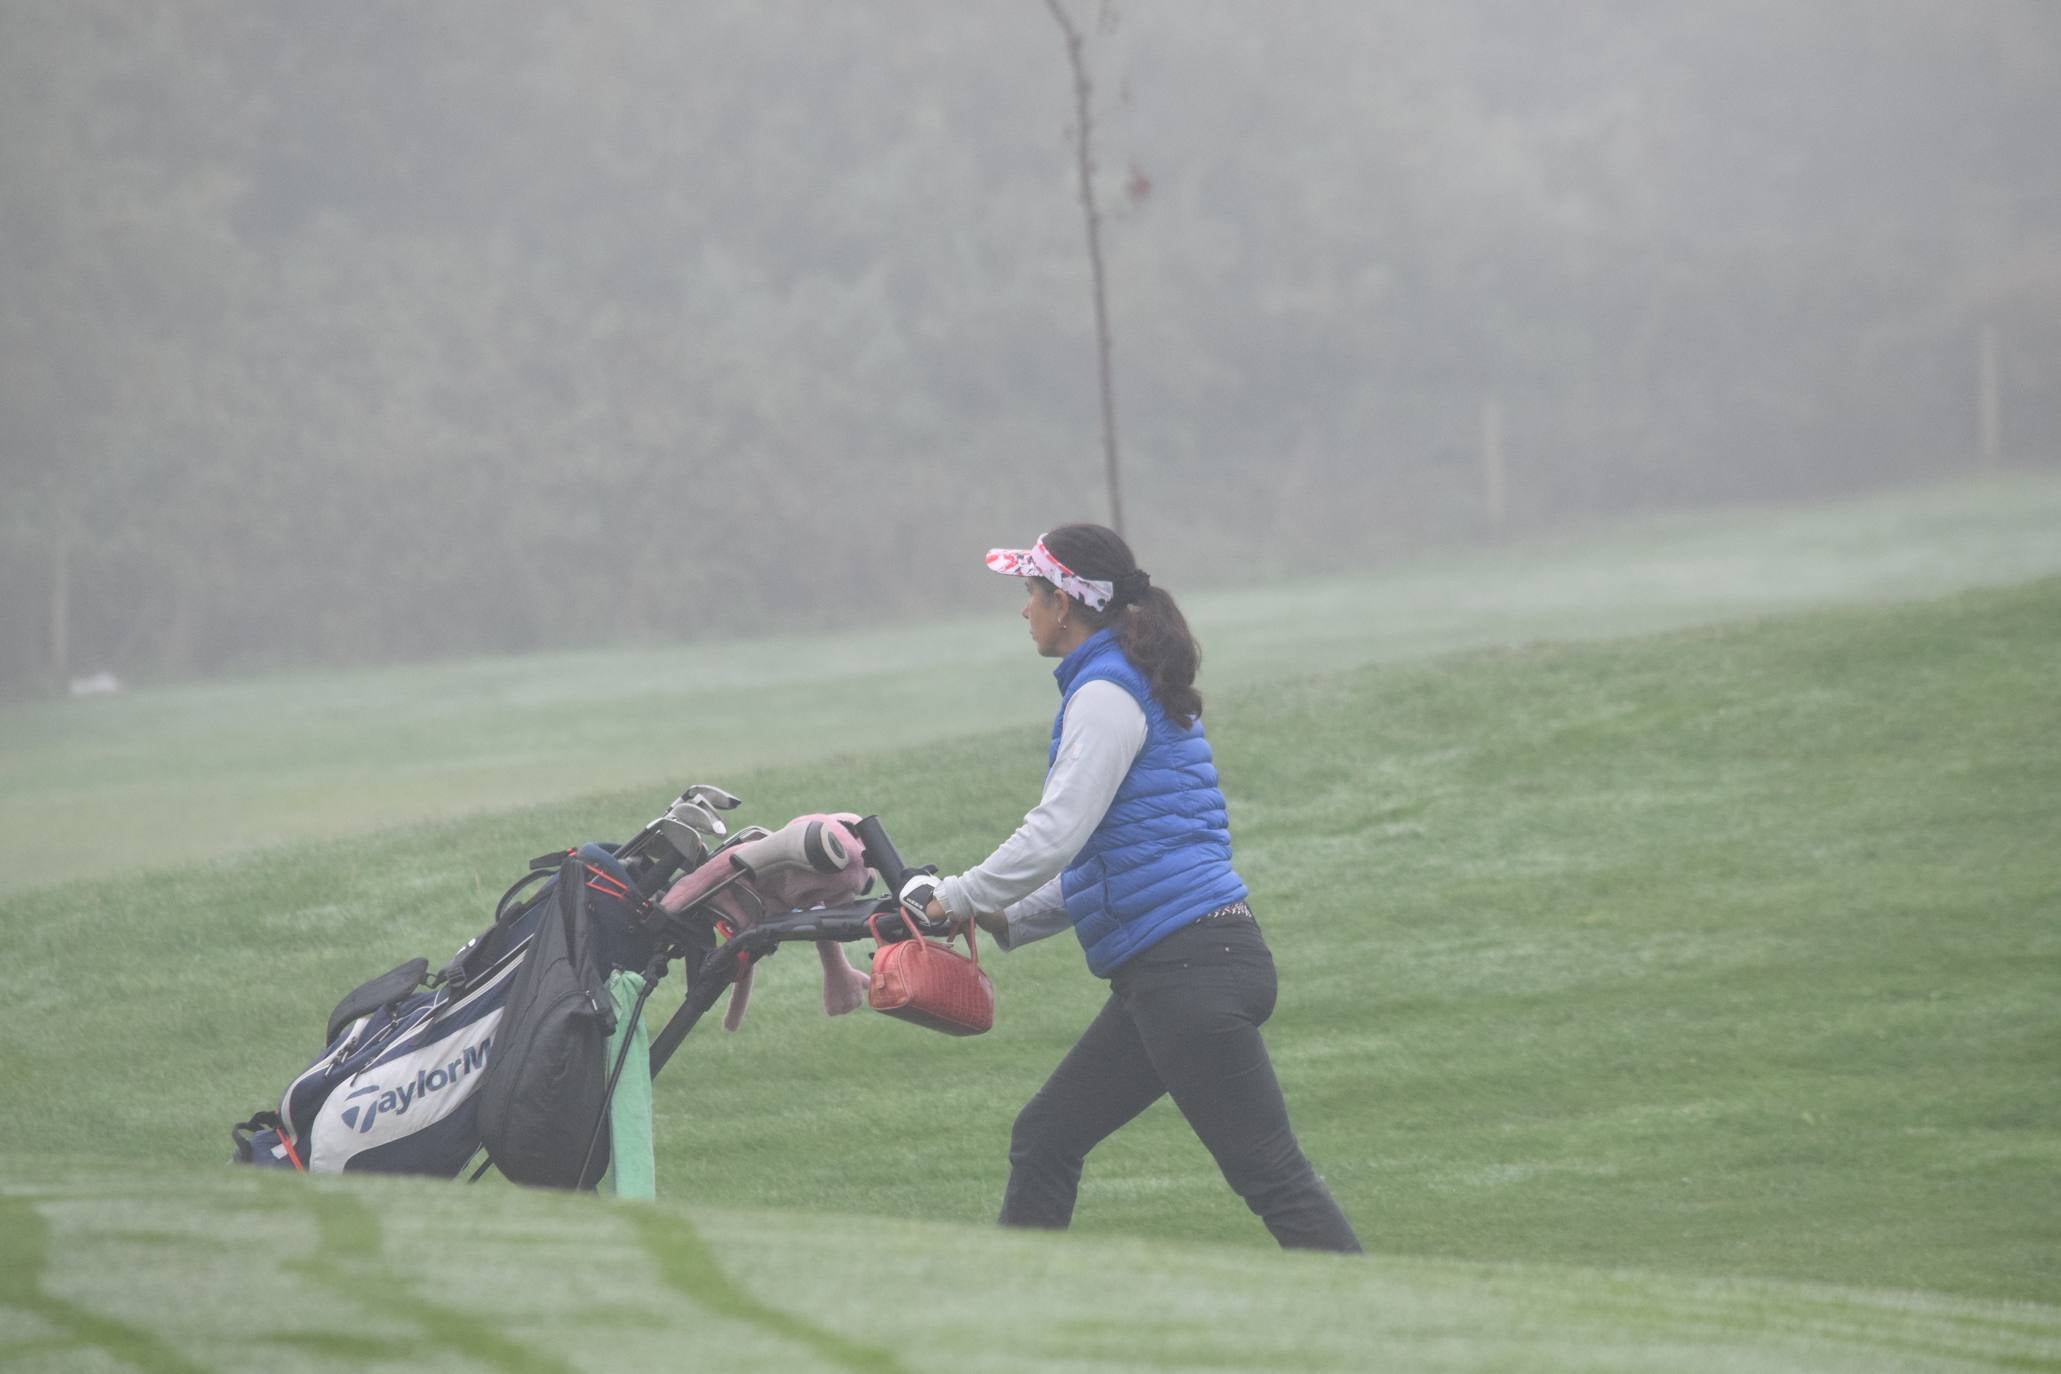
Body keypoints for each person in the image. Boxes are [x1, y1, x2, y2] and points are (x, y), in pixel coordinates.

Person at [922, 523, 1362, 1253]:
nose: (1022, 609)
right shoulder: (1123, 683)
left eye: (1030, 592)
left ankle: (1380, 1331)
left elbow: (1054, 832)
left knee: (1271, 1178)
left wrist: (954, 896)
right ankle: (1010, 1311)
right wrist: (1005, 915)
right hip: (1185, 968)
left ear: (1065, 605)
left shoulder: (1103, 696)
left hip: (1187, 974)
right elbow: (1115, 858)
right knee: (1046, 1135)